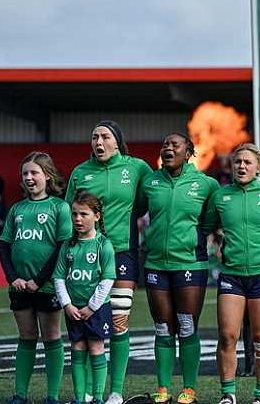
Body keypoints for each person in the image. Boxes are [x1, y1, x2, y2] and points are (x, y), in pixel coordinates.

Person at [66, 120, 153, 404]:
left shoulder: (137, 167)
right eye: (94, 137)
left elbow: (145, 203)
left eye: (104, 136)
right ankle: (90, 392)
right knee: (89, 322)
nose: (98, 141)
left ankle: (115, 391)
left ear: (117, 141)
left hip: (123, 251)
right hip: (86, 256)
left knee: (119, 320)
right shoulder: (80, 172)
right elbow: (71, 213)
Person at [137, 133, 219, 404]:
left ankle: (189, 389)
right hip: (156, 264)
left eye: (175, 145)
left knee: (186, 326)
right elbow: (136, 211)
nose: (168, 148)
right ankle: (162, 389)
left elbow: (209, 221)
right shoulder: (149, 181)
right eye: (165, 145)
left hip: (190, 264)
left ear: (188, 153)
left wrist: (191, 240)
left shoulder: (206, 184)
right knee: (162, 327)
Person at [203, 144, 260, 404]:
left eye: (248, 162)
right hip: (232, 275)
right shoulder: (221, 196)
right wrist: (218, 245)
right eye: (238, 162)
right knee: (228, 335)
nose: (242, 166)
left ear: (259, 167)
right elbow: (208, 226)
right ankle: (228, 394)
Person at [0, 152, 72, 404]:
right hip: (20, 286)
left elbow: (62, 246)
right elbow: (5, 246)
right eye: (25, 174)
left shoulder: (59, 207)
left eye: (34, 173)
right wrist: (13, 278)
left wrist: (39, 280)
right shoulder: (16, 209)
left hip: (48, 285)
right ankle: (20, 394)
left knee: (51, 336)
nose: (29, 178)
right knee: (26, 337)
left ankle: (51, 396)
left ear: (47, 176)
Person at [53, 190, 116, 404]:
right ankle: (80, 398)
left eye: (84, 214)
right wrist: (67, 305)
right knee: (77, 348)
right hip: (73, 309)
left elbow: (107, 280)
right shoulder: (67, 246)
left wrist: (92, 307)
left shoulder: (103, 245)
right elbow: (59, 278)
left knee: (96, 348)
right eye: (74, 214)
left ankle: (97, 398)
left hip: (97, 309)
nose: (78, 219)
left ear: (97, 216)